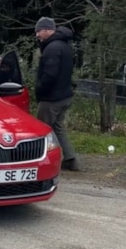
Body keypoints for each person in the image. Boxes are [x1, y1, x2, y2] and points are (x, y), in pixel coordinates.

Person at [34, 17, 79, 171]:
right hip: (65, 95)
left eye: (39, 31)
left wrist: (39, 90)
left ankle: (40, 162)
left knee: (41, 130)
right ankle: (70, 158)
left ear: (48, 30)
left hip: (51, 98)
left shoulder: (52, 48)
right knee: (58, 127)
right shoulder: (65, 45)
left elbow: (50, 75)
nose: (37, 35)